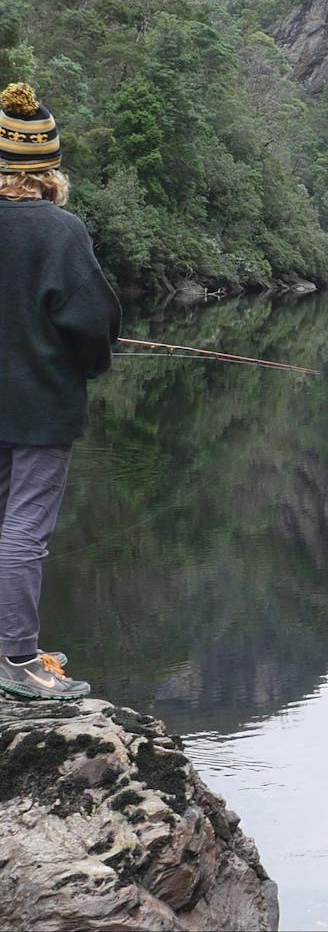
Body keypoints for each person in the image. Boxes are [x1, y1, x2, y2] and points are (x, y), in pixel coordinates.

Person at [0, 82, 120, 700]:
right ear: (47, 170)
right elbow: (92, 323)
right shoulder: (61, 232)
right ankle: (18, 661)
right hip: (42, 409)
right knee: (23, 529)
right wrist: (90, 364)